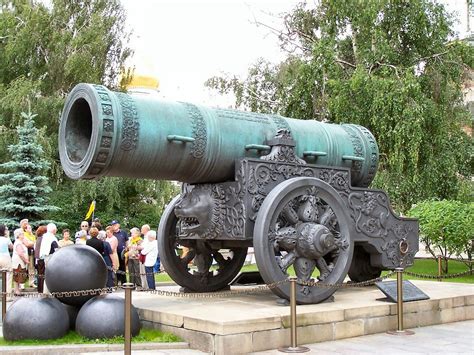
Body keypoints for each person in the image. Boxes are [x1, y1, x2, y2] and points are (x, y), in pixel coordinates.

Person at [15, 219, 36, 288]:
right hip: (23, 253)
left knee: (31, 268)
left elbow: (32, 241)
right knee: (23, 268)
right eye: (25, 223)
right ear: (22, 224)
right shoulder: (20, 232)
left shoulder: (30, 234)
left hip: (31, 252)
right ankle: (22, 284)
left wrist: (32, 243)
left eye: (27, 223)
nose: (26, 225)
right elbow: (27, 243)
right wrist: (32, 243)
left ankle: (31, 282)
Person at [39, 223, 59, 293]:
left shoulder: (44, 237)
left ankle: (46, 291)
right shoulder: (52, 238)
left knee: (47, 275)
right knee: (51, 276)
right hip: (51, 257)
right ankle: (50, 292)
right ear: (53, 230)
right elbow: (56, 249)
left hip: (44, 257)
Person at [11, 230, 29, 295]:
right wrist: (26, 260)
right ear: (18, 235)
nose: (23, 235)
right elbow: (20, 253)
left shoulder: (20, 242)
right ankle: (17, 291)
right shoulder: (18, 243)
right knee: (18, 276)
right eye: (22, 234)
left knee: (18, 276)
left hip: (19, 262)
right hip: (18, 262)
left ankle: (17, 290)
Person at [111, 220, 128, 285]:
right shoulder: (111, 233)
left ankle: (124, 282)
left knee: (123, 267)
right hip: (114, 253)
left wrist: (127, 248)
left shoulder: (123, 232)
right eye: (113, 225)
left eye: (115, 224)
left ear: (118, 225)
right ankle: (116, 281)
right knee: (116, 267)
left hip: (122, 252)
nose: (114, 226)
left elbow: (126, 241)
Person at [33, 225, 48, 293]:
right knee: (42, 275)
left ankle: (39, 289)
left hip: (37, 259)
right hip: (41, 259)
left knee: (40, 275)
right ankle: (42, 290)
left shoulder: (37, 239)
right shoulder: (43, 239)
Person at [0, 224, 13, 296]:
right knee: (8, 275)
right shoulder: (6, 239)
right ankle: (7, 296)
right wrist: (8, 236)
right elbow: (11, 247)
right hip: (5, 258)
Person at [139, 224, 151, 289]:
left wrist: (138, 247)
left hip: (145, 256)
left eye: (142, 229)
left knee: (144, 271)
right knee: (142, 272)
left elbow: (145, 247)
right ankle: (144, 286)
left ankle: (146, 286)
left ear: (145, 230)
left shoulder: (148, 237)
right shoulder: (146, 237)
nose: (141, 230)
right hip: (143, 256)